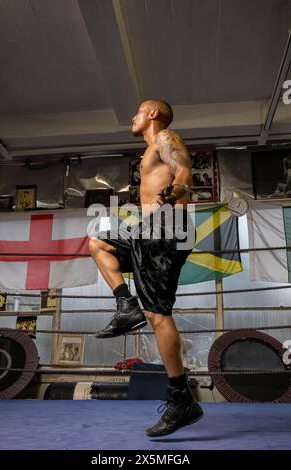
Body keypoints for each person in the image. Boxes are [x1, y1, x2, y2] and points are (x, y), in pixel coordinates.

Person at [89, 99, 203, 437]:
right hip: (149, 230)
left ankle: (181, 398)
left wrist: (177, 189)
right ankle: (126, 306)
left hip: (169, 225)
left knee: (158, 314)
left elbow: (183, 171)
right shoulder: (150, 149)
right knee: (99, 243)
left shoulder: (166, 138)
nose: (133, 116)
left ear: (152, 114)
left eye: (138, 111)